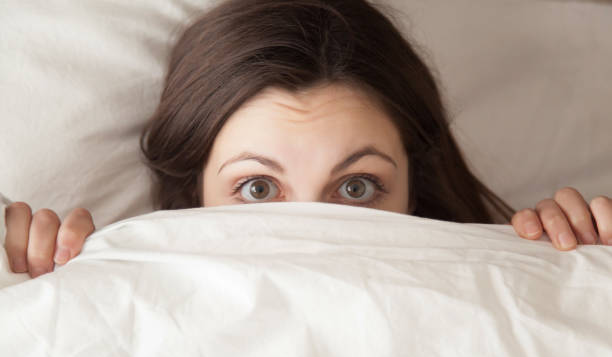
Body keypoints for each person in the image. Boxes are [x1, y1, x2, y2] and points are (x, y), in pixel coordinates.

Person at [3, 0, 611, 278]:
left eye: (356, 186)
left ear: (412, 190)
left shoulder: (508, 288)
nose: (313, 230)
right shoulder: (103, 295)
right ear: (194, 194)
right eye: (259, 187)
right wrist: (31, 280)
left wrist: (584, 265)